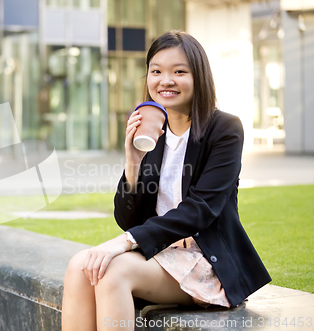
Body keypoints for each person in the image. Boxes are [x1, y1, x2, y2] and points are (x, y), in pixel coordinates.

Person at [61, 30, 271, 331]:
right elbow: (128, 219)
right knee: (79, 267)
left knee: (113, 272)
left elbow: (201, 209)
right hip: (161, 254)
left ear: (198, 76)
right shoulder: (153, 133)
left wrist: (120, 245)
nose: (165, 80)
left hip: (207, 261)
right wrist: (132, 162)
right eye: (156, 71)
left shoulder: (224, 129)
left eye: (179, 72)